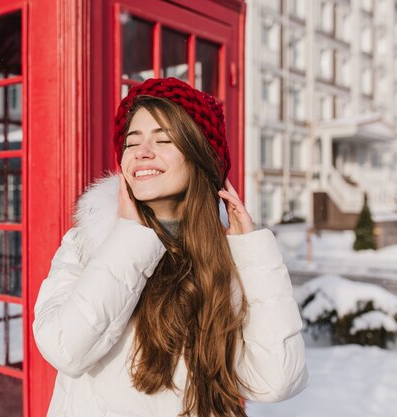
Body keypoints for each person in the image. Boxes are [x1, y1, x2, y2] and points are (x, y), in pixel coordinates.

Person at [33, 77, 308, 417]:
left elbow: (277, 380)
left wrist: (253, 251)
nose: (143, 152)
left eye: (164, 139)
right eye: (132, 143)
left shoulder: (229, 259)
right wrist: (131, 236)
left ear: (198, 158)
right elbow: (64, 348)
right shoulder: (87, 243)